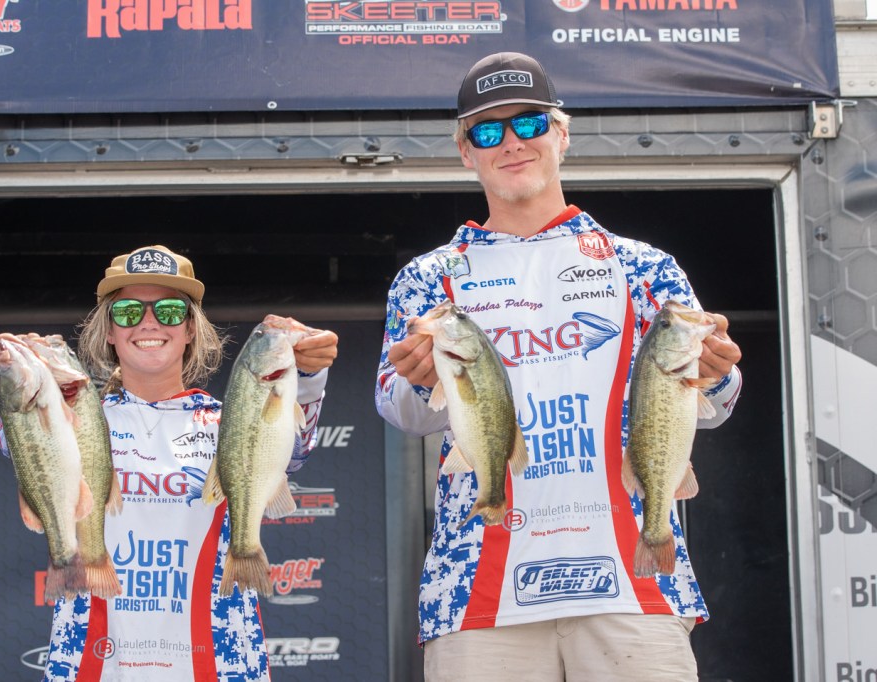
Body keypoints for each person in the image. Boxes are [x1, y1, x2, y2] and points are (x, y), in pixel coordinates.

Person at [375, 53, 742, 681]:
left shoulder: (643, 266)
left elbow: (710, 409)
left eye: (530, 123)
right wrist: (416, 378)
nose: (511, 142)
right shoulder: (429, 279)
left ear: (562, 134)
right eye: (487, 131)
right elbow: (403, 412)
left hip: (634, 578)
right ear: (465, 152)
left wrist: (716, 373)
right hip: (477, 584)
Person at [38, 244, 338, 680]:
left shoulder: (230, 420)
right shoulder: (79, 420)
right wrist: (28, 373)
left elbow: (295, 451)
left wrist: (308, 378)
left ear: (191, 328)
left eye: (170, 310)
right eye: (127, 312)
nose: (149, 322)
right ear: (109, 331)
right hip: (93, 662)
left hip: (219, 662)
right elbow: (20, 443)